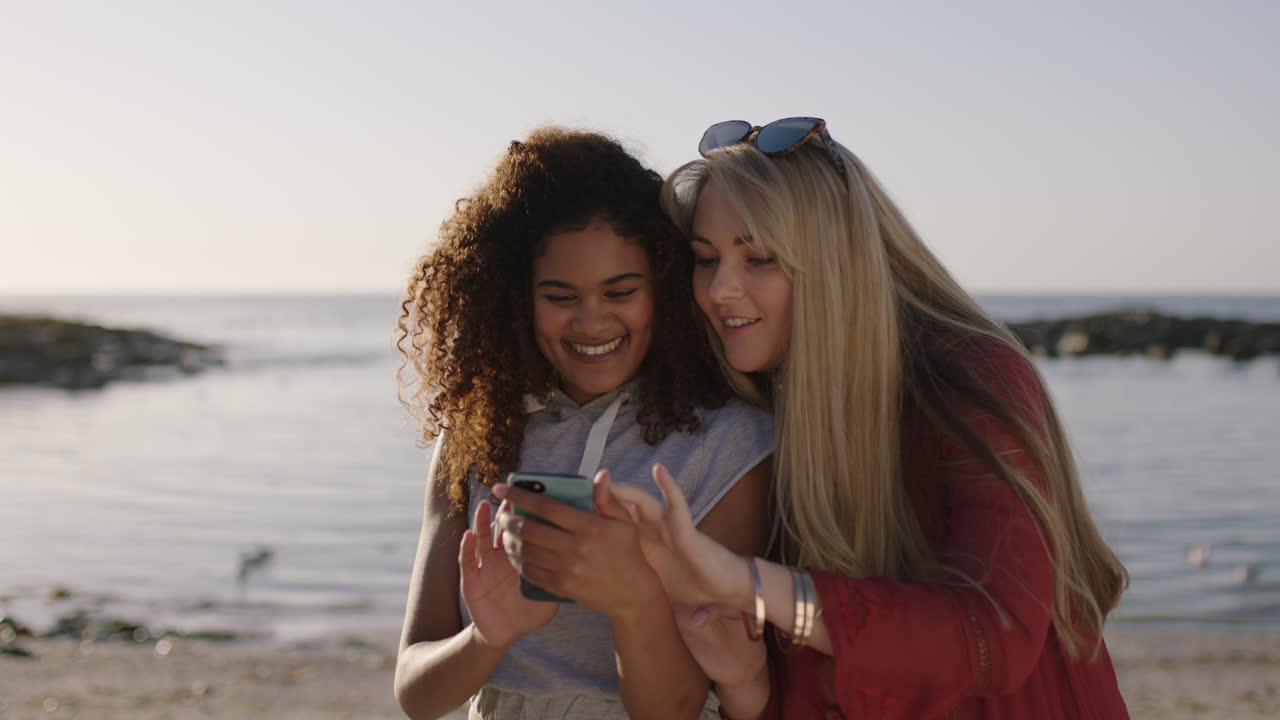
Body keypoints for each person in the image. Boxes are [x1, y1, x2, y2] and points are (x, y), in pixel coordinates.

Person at [609, 117, 1131, 719]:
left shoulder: (971, 376)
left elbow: (996, 637)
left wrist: (745, 582)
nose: (720, 289)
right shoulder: (757, 410)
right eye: (706, 258)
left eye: (758, 258)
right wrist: (745, 687)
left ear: (834, 264)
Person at [393, 127, 774, 720]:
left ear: (666, 289)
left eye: (621, 290)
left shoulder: (728, 442)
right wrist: (488, 637)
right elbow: (415, 692)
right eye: (560, 296)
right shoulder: (475, 434)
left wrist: (633, 599)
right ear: (516, 297)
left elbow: (679, 707)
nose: (591, 321)